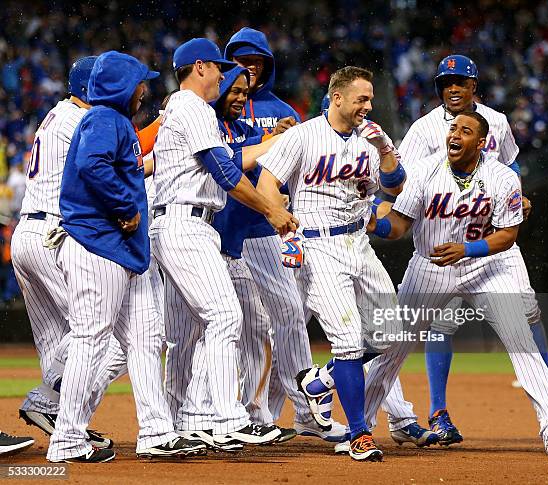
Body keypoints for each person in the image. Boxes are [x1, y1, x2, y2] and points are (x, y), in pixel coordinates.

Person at [363, 111, 548, 457]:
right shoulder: (425, 170)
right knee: (393, 347)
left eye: (465, 130)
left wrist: (467, 249)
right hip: (430, 267)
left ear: (481, 143)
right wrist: (373, 225)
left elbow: (507, 236)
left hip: (487, 267)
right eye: (453, 128)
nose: (455, 134)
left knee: (521, 339)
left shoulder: (501, 177)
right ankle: (361, 426)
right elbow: (400, 225)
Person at [46, 51, 206, 463]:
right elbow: (91, 163)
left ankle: (156, 431)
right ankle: (66, 439)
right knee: (91, 340)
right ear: (122, 86)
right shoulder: (104, 119)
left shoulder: (115, 122)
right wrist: (124, 207)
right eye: (140, 82)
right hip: (96, 245)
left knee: (146, 339)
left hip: (118, 252)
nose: (145, 89)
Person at [150, 38, 297, 449]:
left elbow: (227, 163)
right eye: (217, 67)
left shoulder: (180, 109)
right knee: (225, 316)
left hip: (178, 223)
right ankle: (228, 417)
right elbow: (225, 172)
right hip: (186, 222)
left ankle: (189, 419)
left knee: (187, 330)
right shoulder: (192, 107)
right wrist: (271, 210)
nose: (223, 74)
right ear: (199, 67)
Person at [257, 66, 406, 461]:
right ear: (337, 97)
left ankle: (321, 379)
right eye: (362, 98)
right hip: (318, 247)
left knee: (392, 334)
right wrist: (284, 230)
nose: (368, 106)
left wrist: (387, 152)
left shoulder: (371, 137)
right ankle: (359, 433)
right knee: (349, 342)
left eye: (371, 99)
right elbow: (266, 185)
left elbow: (395, 187)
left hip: (360, 242)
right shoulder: (303, 136)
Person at [13, 57, 159, 452]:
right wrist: (162, 130)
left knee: (56, 340)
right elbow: (115, 157)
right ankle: (55, 408)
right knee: (99, 334)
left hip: (28, 232)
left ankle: (61, 412)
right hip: (57, 232)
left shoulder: (54, 116)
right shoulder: (88, 119)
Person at [224, 29, 346, 440]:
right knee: (226, 325)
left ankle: (301, 411)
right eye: (240, 60)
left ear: (268, 66)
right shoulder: (211, 109)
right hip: (218, 226)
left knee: (288, 314)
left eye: (256, 61)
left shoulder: (283, 111)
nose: (248, 67)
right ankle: (212, 415)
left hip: (262, 228)